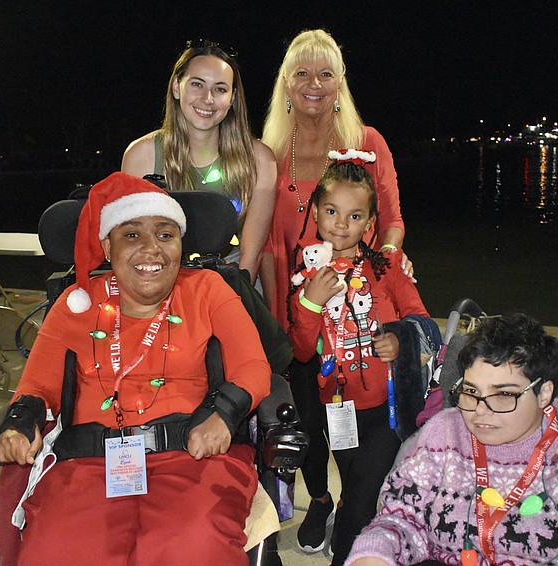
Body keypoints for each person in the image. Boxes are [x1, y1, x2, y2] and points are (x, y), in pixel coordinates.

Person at [0, 172, 271, 565]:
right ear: (107, 245)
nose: (151, 250)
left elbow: (254, 367)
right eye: (132, 235)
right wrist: (20, 423)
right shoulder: (77, 303)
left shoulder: (207, 289)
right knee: (57, 551)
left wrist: (224, 415)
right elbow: (38, 383)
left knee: (189, 544)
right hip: (90, 464)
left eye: (165, 234)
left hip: (192, 455)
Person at [346, 313, 558, 566]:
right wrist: (373, 554)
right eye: (471, 392)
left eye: (503, 395)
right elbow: (401, 518)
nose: (480, 412)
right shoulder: (444, 433)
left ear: (544, 392)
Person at [260, 29, 411, 555]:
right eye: (301, 72)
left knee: (355, 405)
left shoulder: (367, 143)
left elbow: (390, 221)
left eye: (326, 73)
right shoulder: (270, 154)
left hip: (357, 315)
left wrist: (388, 268)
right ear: (285, 84)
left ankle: (356, 499)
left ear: (340, 84)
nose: (314, 84)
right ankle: (320, 499)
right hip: (294, 305)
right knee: (304, 414)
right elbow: (262, 241)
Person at [287, 152, 433, 565]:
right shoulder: (307, 277)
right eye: (331, 211)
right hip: (338, 409)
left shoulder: (386, 268)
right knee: (354, 488)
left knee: (362, 497)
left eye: (354, 216)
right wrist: (311, 304)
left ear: (370, 224)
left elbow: (423, 322)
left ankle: (348, 552)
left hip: (387, 410)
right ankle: (359, 536)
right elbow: (300, 351)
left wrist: (401, 341)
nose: (340, 224)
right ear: (315, 213)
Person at [122, 40, 276, 284]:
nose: (208, 99)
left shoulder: (260, 160)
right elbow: (132, 243)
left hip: (234, 280)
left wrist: (230, 306)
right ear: (176, 87)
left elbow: (251, 254)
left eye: (220, 89)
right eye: (197, 84)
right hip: (162, 280)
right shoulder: (142, 156)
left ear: (232, 97)